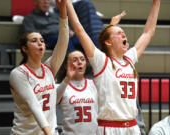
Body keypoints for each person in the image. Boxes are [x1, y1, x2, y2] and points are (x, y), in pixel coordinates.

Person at [66, 0, 160, 134]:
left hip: (132, 127)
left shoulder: (129, 59)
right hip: (109, 128)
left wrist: (156, 3)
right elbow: (80, 30)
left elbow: (148, 32)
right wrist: (68, 3)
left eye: (124, 33)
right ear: (108, 42)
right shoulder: (101, 61)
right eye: (119, 33)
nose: (124, 35)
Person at [9, 0, 69, 134]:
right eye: (34, 41)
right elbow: (34, 105)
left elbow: (63, 43)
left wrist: (63, 13)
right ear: (24, 48)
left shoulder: (49, 68)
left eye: (42, 41)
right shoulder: (18, 74)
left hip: (49, 131)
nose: (40, 44)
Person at [56, 50, 98, 135]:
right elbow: (54, 100)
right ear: (66, 65)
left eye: (82, 59)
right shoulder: (61, 86)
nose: (79, 62)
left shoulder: (94, 84)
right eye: (75, 60)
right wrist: (67, 78)